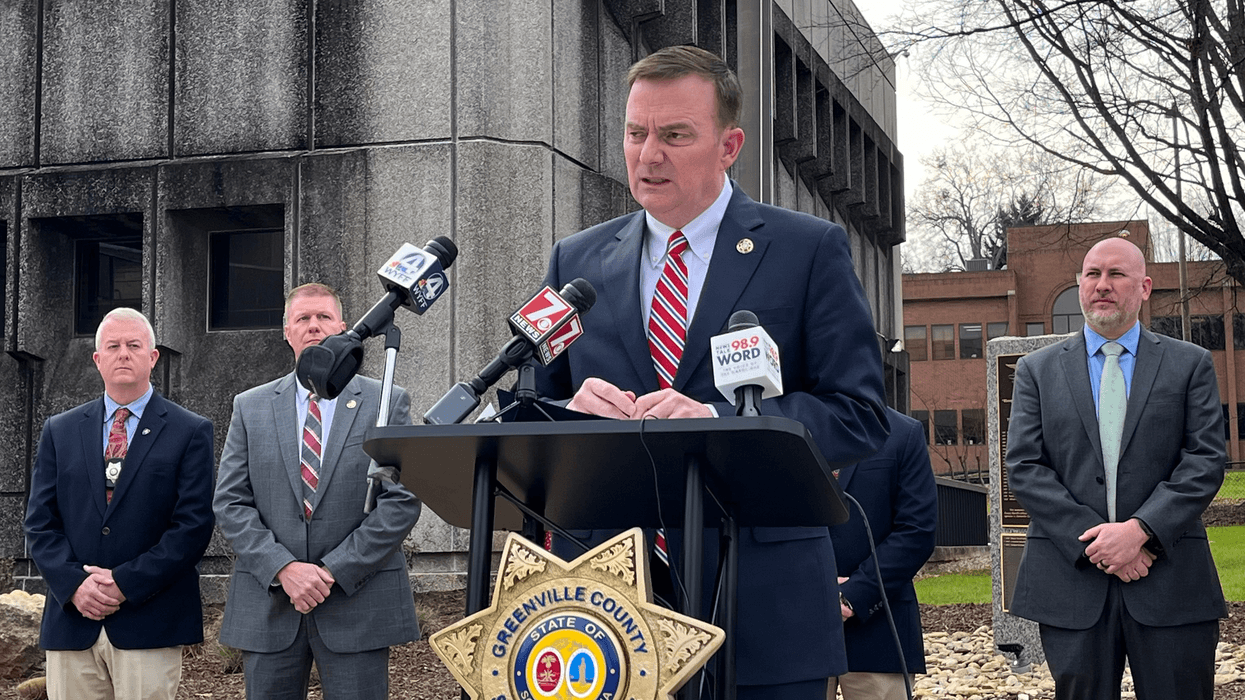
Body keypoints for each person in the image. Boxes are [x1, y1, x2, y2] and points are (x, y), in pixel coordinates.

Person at [532, 45, 889, 700]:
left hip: (763, 607)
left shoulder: (807, 250)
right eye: (636, 134)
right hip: (605, 616)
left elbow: (858, 413)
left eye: (674, 136)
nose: (647, 155)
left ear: (729, 146)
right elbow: (532, 408)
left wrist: (725, 423)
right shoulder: (574, 261)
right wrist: (568, 414)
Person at [1005, 236, 1226, 699]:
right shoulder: (1035, 371)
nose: (1101, 285)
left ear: (1144, 287)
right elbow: (1025, 467)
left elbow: (1205, 459)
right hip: (1073, 582)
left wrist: (1140, 530)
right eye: (1092, 274)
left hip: (1169, 580)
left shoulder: (1190, 365)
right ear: (1080, 285)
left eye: (1116, 274)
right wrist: (1101, 542)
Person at [213, 283, 422, 700]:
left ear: (343, 327)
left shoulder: (385, 401)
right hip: (271, 604)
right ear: (286, 331)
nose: (314, 326)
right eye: (303, 319)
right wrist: (284, 569)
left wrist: (331, 571)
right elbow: (231, 502)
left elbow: (401, 501)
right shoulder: (250, 406)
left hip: (356, 602)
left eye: (324, 317)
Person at [24, 307, 215, 700]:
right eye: (113, 346)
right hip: (73, 623)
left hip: (150, 622)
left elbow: (192, 527)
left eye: (133, 345)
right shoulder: (59, 431)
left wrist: (124, 583)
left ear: (153, 356)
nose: (123, 353)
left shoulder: (190, 430)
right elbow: (40, 523)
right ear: (98, 359)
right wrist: (76, 585)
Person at [828, 408, 937, 700]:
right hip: (796, 629)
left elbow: (917, 531)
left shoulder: (903, 432)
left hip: (879, 627)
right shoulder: (782, 427)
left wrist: (851, 595)